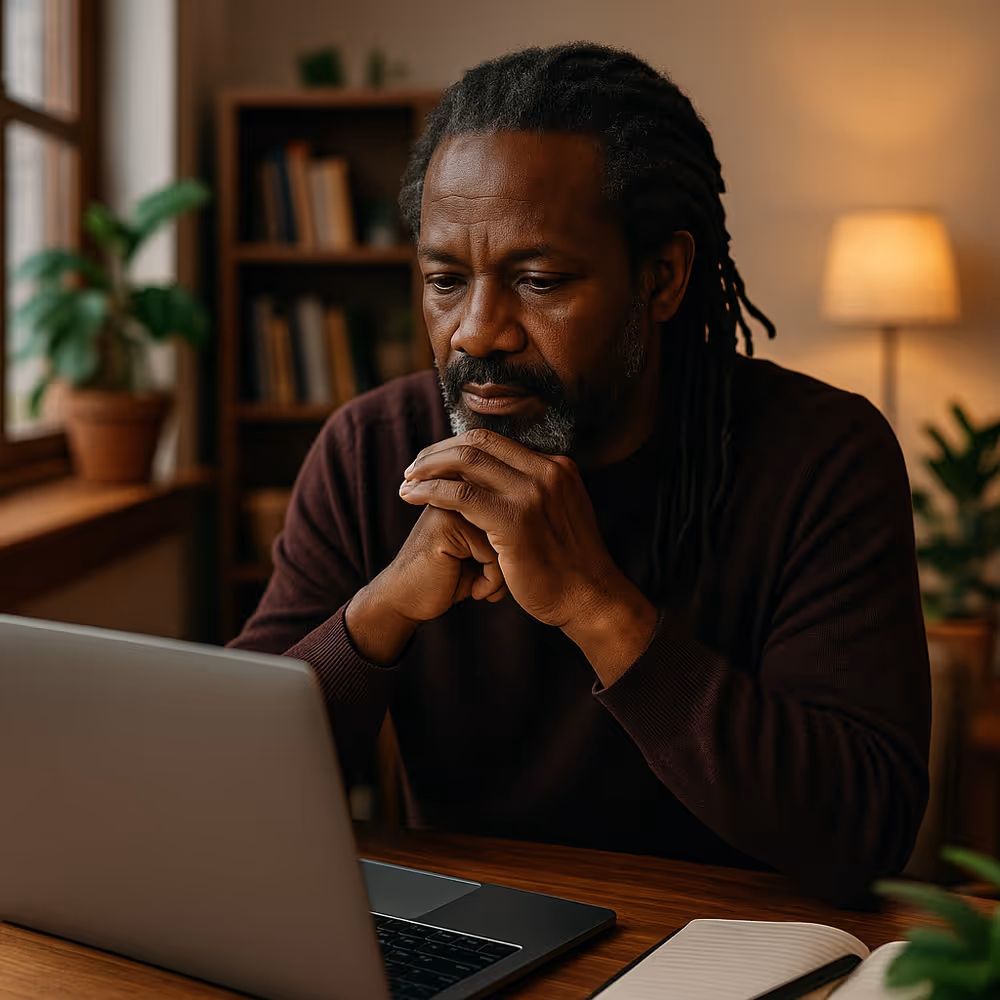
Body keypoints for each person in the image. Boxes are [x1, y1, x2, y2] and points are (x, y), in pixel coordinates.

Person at [231, 42, 930, 904]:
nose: (477, 332)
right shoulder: (370, 449)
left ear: (663, 277)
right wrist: (381, 610)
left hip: (731, 953)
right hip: (468, 940)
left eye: (539, 280)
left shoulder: (821, 456)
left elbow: (866, 832)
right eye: (446, 280)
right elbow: (224, 787)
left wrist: (594, 603)